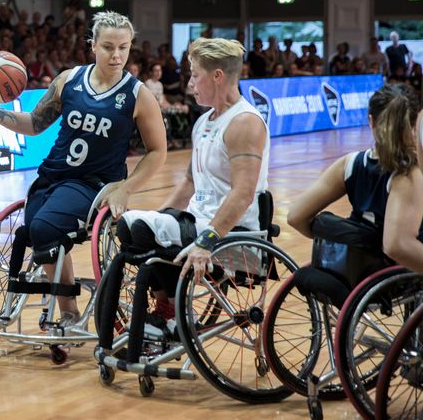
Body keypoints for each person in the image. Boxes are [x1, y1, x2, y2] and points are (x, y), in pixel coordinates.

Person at [0, 11, 168, 325]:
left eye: (123, 47)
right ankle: (57, 306)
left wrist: (125, 187)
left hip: (94, 183)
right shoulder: (69, 80)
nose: (116, 55)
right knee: (34, 234)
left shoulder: (138, 95)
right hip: (52, 175)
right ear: (93, 46)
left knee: (45, 229)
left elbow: (158, 151)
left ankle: (68, 313)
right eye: (107, 47)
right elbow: (36, 123)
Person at [117, 37, 269, 323]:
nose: (189, 84)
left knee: (139, 228)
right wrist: (157, 216)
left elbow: (244, 193)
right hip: (196, 223)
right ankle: (168, 310)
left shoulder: (245, 122)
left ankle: (172, 313)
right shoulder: (203, 122)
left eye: (195, 75)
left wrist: (207, 240)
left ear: (217, 76)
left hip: (233, 236)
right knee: (133, 227)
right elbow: (188, 184)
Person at [288, 84, 423, 274]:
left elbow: (295, 216)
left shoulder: (350, 164)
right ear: (415, 124)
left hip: (358, 265)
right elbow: (396, 246)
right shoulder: (407, 174)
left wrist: (343, 244)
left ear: (371, 121)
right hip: (393, 269)